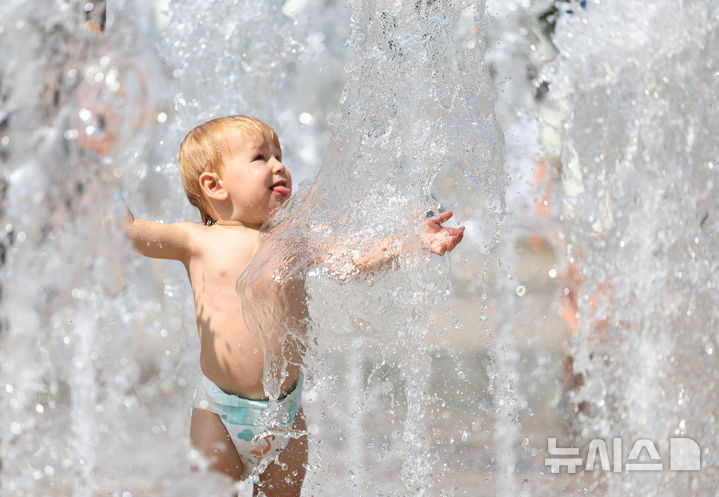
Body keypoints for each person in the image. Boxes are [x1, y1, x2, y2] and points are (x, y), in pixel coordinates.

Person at [122, 115, 465, 496]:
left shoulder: (294, 239)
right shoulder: (195, 241)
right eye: (260, 158)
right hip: (219, 413)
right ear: (214, 185)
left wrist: (407, 241)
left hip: (285, 413)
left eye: (278, 155)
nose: (278, 165)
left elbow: (349, 260)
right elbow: (132, 233)